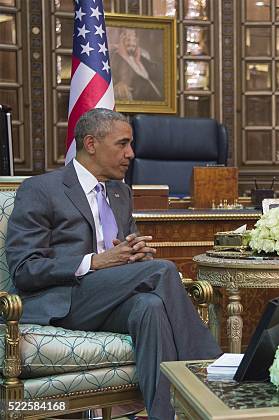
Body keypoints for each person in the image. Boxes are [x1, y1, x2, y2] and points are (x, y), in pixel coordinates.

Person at [6, 108, 221, 420]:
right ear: (91, 143)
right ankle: (211, 370)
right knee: (162, 270)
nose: (131, 153)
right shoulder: (41, 189)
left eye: (130, 145)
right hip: (62, 300)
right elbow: (25, 270)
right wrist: (94, 262)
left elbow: (126, 251)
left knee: (149, 306)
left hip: (109, 298)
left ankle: (166, 416)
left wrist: (136, 256)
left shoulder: (120, 191)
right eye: (122, 144)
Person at [111, 28, 162, 101]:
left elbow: (157, 72)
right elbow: (113, 78)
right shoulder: (116, 58)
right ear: (122, 40)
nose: (131, 43)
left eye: (134, 40)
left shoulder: (142, 58)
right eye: (128, 40)